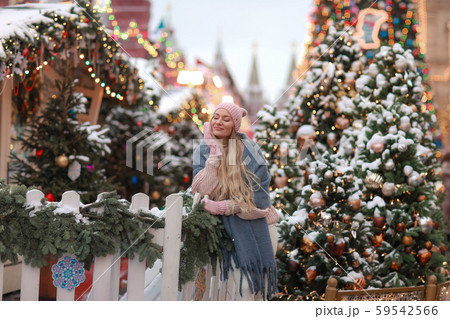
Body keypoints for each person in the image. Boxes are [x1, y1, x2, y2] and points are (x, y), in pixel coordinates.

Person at [192, 102, 279, 301]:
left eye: (226, 118)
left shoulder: (250, 150)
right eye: (216, 117)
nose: (218, 122)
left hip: (259, 225)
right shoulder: (202, 151)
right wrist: (213, 155)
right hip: (223, 232)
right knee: (237, 291)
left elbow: (259, 200)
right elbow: (202, 189)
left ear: (234, 125)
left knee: (255, 290)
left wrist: (223, 206)